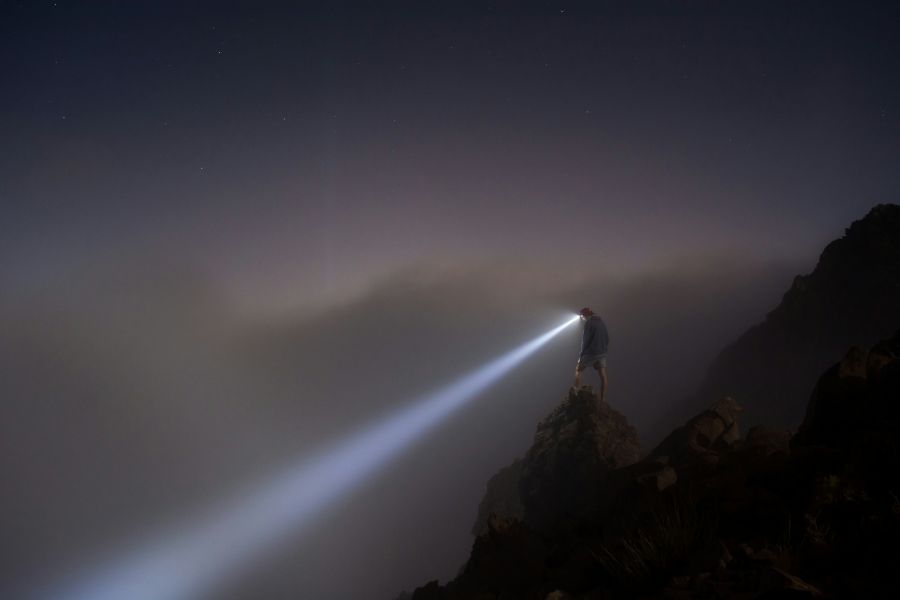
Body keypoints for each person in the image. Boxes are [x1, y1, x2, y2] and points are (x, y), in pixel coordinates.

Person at [574, 307, 609, 400]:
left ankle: (576, 394)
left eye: (582, 316)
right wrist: (603, 349)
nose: (582, 318)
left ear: (585, 315)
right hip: (602, 352)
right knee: (602, 375)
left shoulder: (589, 323)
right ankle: (603, 399)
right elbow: (607, 337)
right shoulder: (601, 322)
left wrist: (581, 355)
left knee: (578, 369)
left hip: (591, 353)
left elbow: (585, 341)